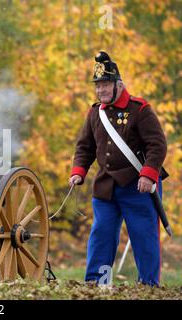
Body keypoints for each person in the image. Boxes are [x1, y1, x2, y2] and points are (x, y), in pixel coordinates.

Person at [69, 51, 168, 286]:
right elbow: (85, 146)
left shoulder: (140, 109)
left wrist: (148, 174)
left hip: (139, 187)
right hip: (106, 187)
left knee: (144, 237)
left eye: (105, 85)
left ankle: (148, 285)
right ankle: (97, 282)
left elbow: (157, 145)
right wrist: (78, 172)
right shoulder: (95, 113)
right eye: (98, 86)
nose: (100, 90)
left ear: (119, 85)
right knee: (101, 235)